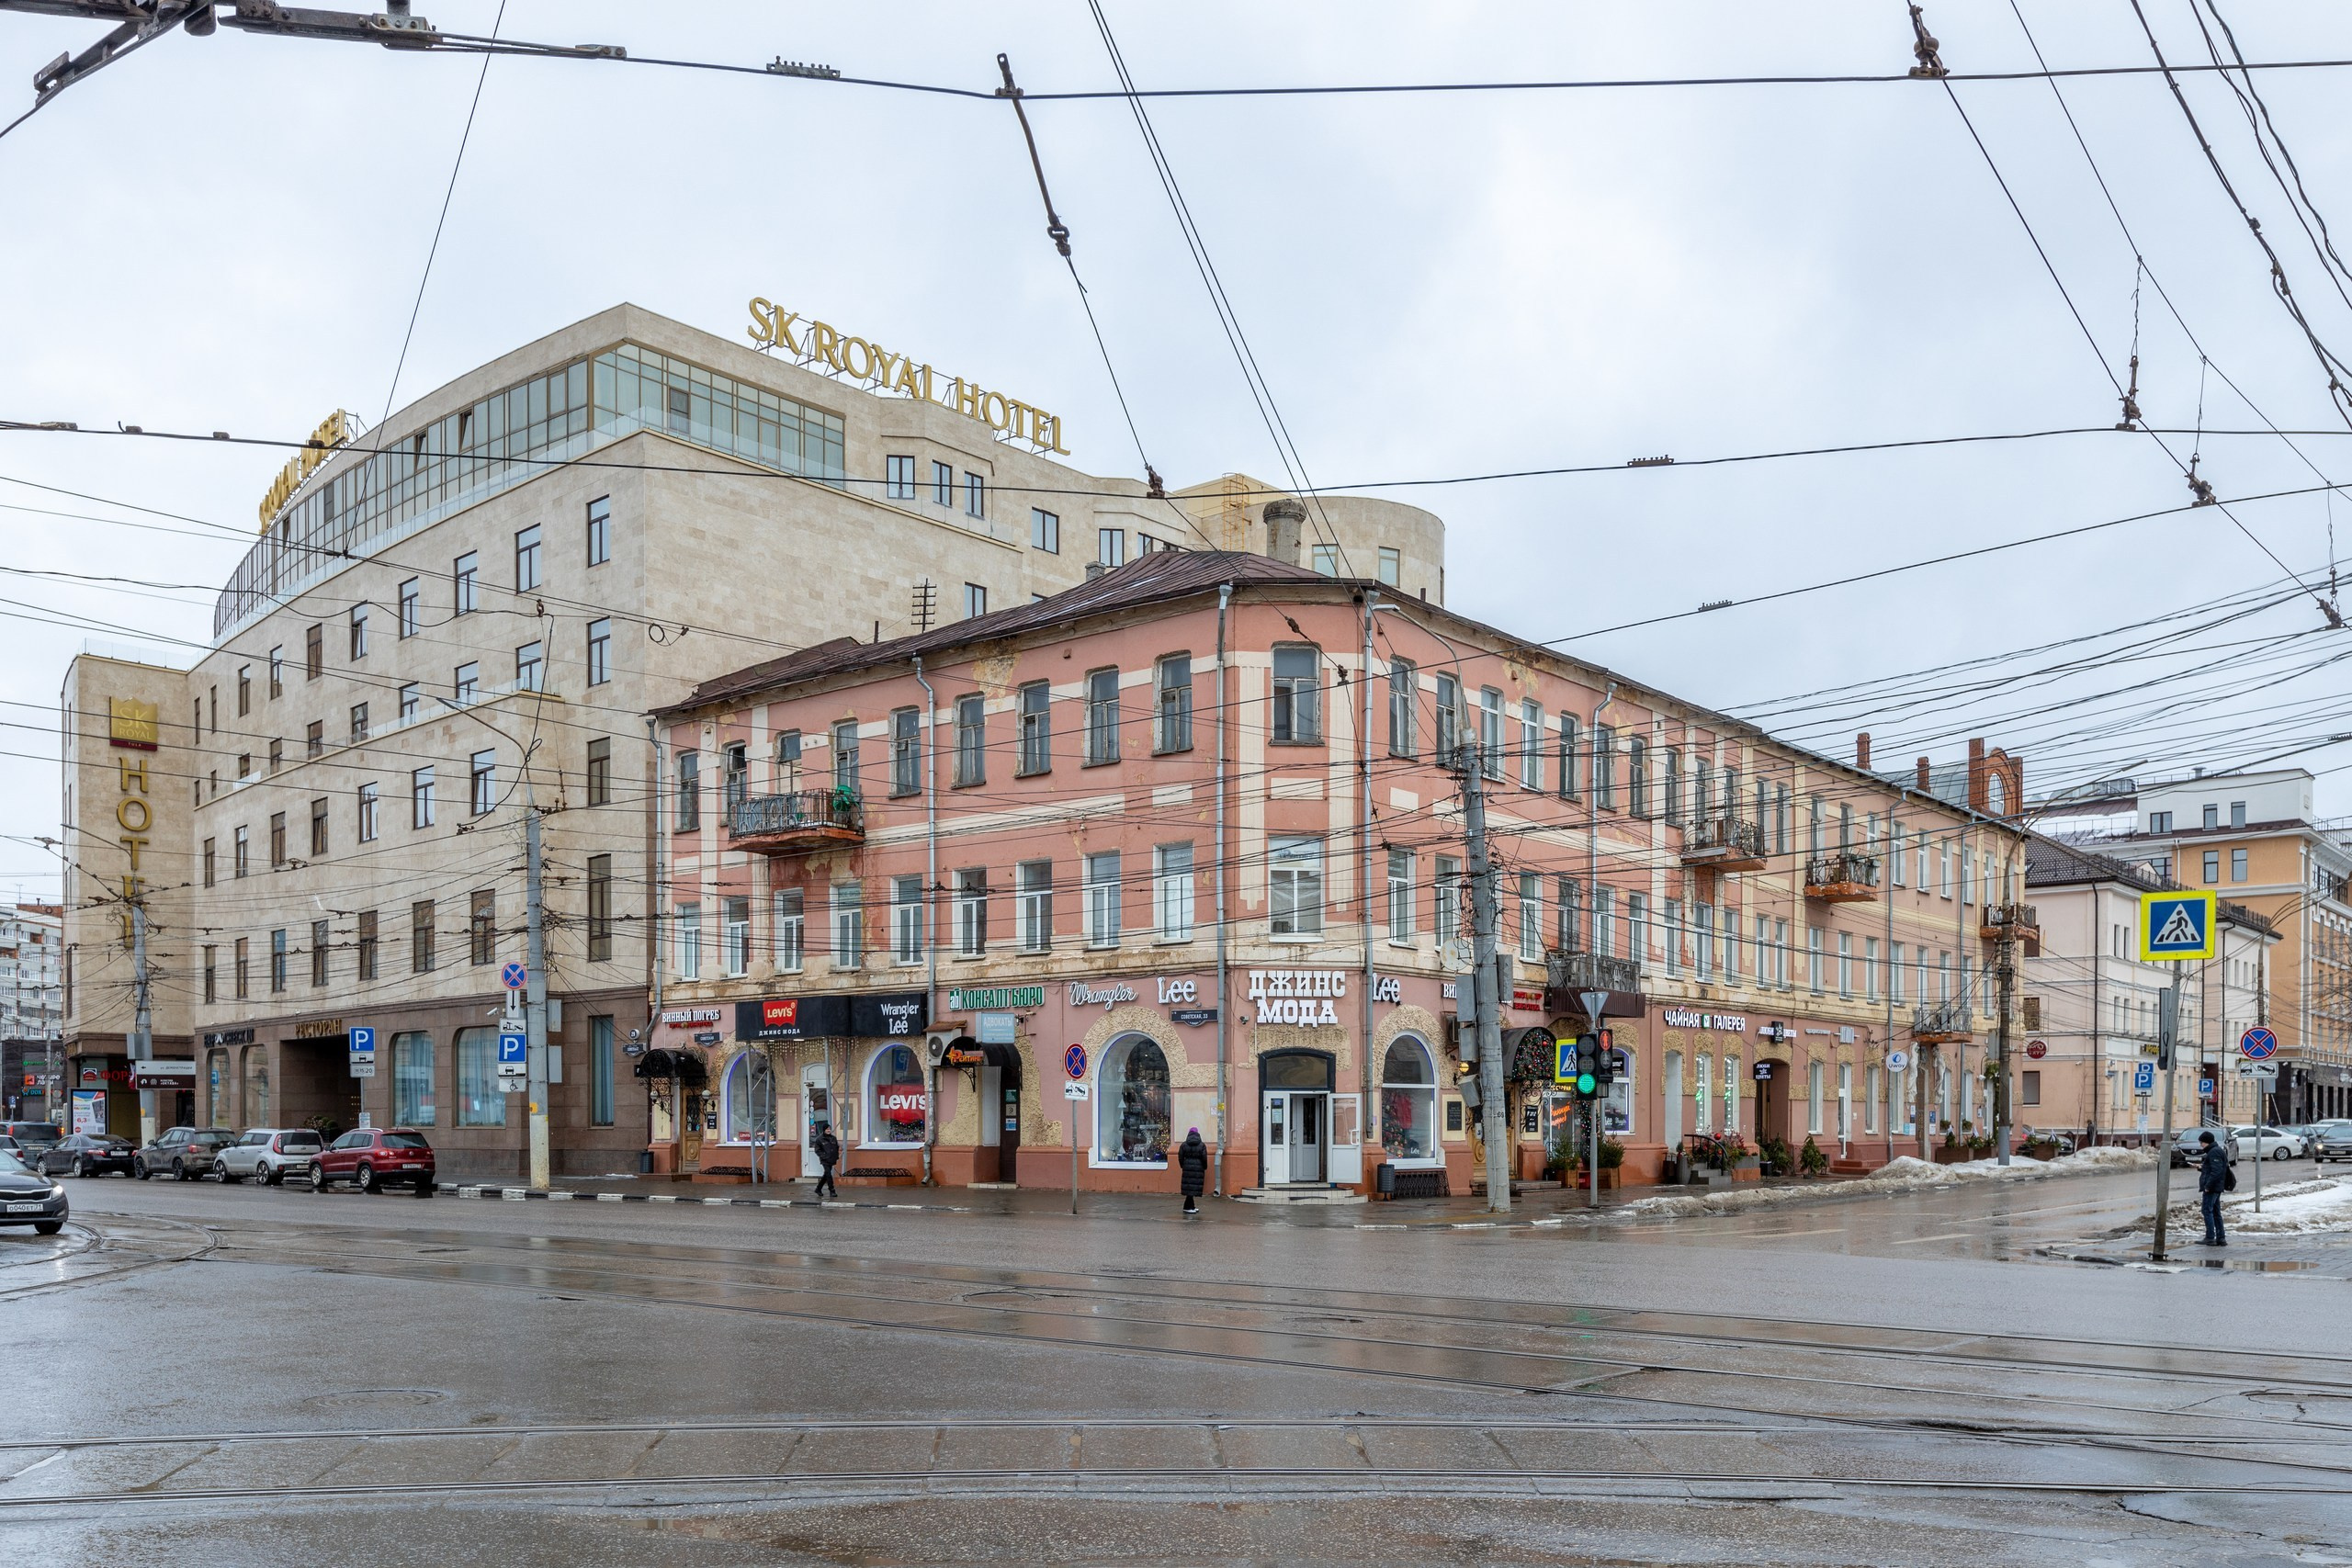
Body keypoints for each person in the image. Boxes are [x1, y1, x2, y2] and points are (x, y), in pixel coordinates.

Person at [2198, 1129, 2233, 1246]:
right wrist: (2201, 1167)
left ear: (2207, 1142)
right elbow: (2214, 1169)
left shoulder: (2214, 1152)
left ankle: (2210, 1237)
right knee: (2216, 1212)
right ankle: (2221, 1238)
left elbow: (2216, 1172)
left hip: (2213, 1187)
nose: (2201, 1145)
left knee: (2207, 1211)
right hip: (2216, 1187)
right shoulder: (2216, 1151)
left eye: (2202, 1142)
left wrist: (2208, 1186)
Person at [1177, 1127, 1208, 1215]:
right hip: (1198, 1167)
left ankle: (1190, 1206)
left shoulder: (1184, 1145)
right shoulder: (1202, 1145)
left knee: (1189, 1187)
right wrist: (1204, 1167)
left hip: (1187, 1167)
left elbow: (1180, 1157)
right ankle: (1188, 1207)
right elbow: (1204, 1158)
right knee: (1192, 1188)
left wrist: (1183, 1166)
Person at [812, 1119, 841, 1200]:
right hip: (824, 1160)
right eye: (827, 1129)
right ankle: (832, 1190)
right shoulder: (819, 1139)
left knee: (826, 1175)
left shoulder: (833, 1138)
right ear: (824, 1130)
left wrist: (836, 1156)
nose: (828, 1130)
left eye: (829, 1129)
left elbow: (836, 1147)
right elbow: (817, 1150)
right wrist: (824, 1156)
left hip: (831, 1159)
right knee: (828, 1174)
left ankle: (818, 1189)